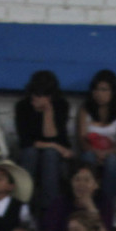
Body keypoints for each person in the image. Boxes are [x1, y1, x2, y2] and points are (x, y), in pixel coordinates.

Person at [16, 70, 72, 210]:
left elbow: (54, 137)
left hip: (54, 156)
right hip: (30, 152)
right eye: (35, 94)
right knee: (31, 153)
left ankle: (50, 211)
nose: (37, 98)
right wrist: (54, 145)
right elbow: (25, 141)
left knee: (50, 155)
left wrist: (48, 112)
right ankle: (24, 209)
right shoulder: (22, 107)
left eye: (43, 95)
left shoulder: (60, 106)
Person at [76, 69, 116, 206]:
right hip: (91, 153)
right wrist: (95, 152)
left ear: (113, 92)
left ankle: (106, 208)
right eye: (96, 89)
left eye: (104, 90)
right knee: (88, 158)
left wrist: (106, 154)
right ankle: (86, 203)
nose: (99, 94)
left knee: (112, 162)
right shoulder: (85, 110)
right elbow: (82, 140)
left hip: (113, 156)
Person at [38, 163, 113, 231]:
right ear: (71, 183)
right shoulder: (60, 202)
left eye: (86, 180)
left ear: (96, 185)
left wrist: (91, 208)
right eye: (77, 179)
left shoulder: (103, 203)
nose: (81, 184)